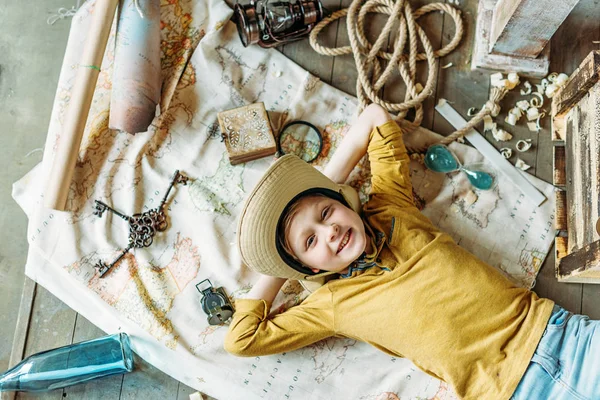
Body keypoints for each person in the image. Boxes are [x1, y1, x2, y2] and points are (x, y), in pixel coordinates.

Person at [224, 104, 600, 399]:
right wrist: (286, 264)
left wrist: (324, 187)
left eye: (327, 213)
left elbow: (373, 118)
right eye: (311, 241)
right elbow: (241, 338)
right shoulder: (332, 304)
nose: (331, 230)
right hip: (504, 392)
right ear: (303, 266)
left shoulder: (390, 208)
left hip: (562, 336)